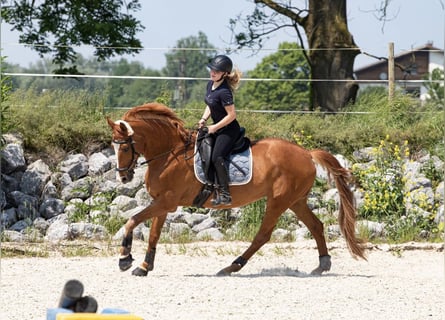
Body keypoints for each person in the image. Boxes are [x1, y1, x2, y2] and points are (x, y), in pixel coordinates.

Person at [198, 55, 242, 206]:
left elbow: (232, 115)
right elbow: (210, 104)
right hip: (216, 127)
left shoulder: (224, 91)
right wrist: (204, 119)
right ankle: (209, 183)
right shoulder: (210, 84)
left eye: (216, 71)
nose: (212, 72)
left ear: (224, 73)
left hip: (229, 129)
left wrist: (214, 127)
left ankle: (225, 193)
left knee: (217, 157)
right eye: (212, 69)